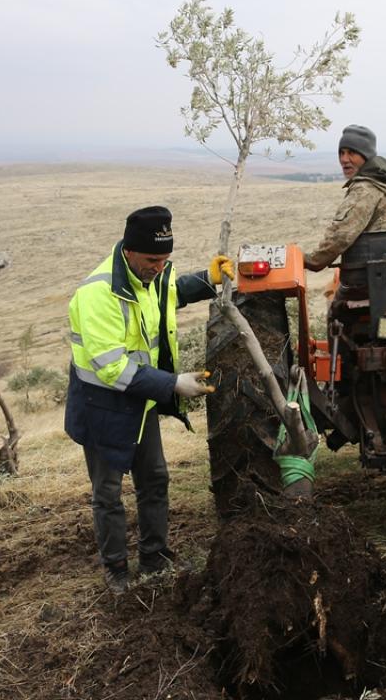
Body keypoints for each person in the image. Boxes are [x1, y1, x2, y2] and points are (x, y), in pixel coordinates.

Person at [65, 206, 234, 595]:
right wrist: (174, 384)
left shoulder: (152, 277)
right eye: (152, 260)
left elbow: (170, 293)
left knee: (154, 479)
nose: (159, 268)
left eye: (165, 260)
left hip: (140, 404)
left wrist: (208, 279)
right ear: (128, 251)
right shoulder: (98, 293)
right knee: (107, 492)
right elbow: (111, 369)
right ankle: (116, 570)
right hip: (102, 408)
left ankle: (155, 558)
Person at [303, 124, 386, 272]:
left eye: (352, 153)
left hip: (371, 277)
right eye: (341, 153)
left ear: (365, 155)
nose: (344, 159)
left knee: (337, 295)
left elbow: (342, 235)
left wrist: (312, 261)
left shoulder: (365, 189)